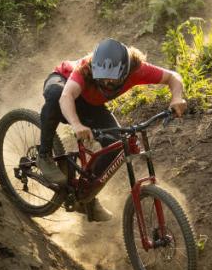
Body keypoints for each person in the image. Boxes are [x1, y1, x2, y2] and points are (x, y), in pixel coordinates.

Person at [37, 38, 187, 220]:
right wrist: (76, 125)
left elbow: (172, 77)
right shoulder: (85, 69)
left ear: (125, 72)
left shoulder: (137, 69)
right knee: (54, 96)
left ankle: (86, 196)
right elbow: (66, 96)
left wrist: (177, 98)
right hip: (62, 84)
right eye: (102, 78)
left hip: (90, 103)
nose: (107, 82)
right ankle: (44, 155)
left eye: (112, 79)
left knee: (116, 146)